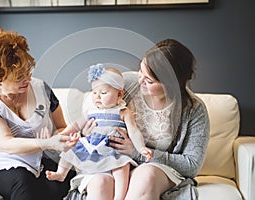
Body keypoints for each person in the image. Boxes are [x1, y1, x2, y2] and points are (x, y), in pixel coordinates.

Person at [65, 39, 210, 200]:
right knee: (100, 183)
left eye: (149, 80)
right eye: (140, 70)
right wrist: (86, 131)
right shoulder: (126, 84)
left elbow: (191, 165)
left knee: (146, 175)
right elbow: (92, 112)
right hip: (111, 161)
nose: (140, 79)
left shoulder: (194, 109)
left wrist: (137, 152)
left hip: (157, 169)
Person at [0, 29, 78, 200]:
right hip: (3, 164)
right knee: (23, 182)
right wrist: (46, 143)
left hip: (42, 161)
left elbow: (61, 127)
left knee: (63, 180)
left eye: (27, 71)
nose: (28, 79)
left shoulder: (42, 88)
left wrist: (61, 138)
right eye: (19, 77)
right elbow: (6, 143)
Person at [46, 64, 153, 200]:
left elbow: (134, 132)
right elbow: (76, 124)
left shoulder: (123, 112)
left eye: (103, 93)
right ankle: (61, 173)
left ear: (119, 94)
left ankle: (120, 196)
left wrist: (141, 147)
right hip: (93, 146)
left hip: (114, 149)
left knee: (122, 166)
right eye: (94, 93)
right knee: (69, 150)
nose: (97, 97)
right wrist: (63, 134)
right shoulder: (91, 111)